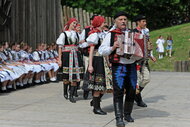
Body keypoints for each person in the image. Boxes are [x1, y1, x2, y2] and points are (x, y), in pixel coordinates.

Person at [99, 11, 137, 127]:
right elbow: (101, 50)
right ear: (115, 21)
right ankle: (119, 118)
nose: (123, 21)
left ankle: (127, 114)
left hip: (131, 64)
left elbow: (140, 49)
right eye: (120, 19)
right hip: (118, 66)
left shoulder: (133, 34)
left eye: (125, 19)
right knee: (118, 91)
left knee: (131, 91)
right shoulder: (110, 34)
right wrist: (113, 47)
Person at [82, 16, 112, 115]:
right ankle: (96, 107)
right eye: (103, 22)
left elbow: (105, 51)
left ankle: (95, 102)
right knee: (97, 86)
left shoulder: (103, 34)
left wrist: (108, 62)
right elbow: (91, 51)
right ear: (99, 23)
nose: (105, 24)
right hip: (97, 60)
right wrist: (90, 65)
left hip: (103, 60)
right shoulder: (94, 35)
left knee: (104, 86)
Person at [56, 18, 84, 103]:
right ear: (69, 24)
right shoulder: (64, 34)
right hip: (67, 56)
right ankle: (65, 92)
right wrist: (59, 59)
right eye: (73, 23)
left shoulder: (76, 34)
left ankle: (71, 95)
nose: (75, 25)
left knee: (75, 76)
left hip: (75, 55)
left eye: (76, 23)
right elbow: (60, 47)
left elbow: (80, 44)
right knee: (66, 75)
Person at [133, 15, 156, 108]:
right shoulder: (133, 33)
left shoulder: (146, 33)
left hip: (145, 60)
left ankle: (135, 94)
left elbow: (148, 45)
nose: (145, 23)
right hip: (136, 61)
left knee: (146, 78)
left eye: (145, 21)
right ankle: (138, 99)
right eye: (143, 21)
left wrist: (151, 55)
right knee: (137, 81)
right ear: (138, 22)